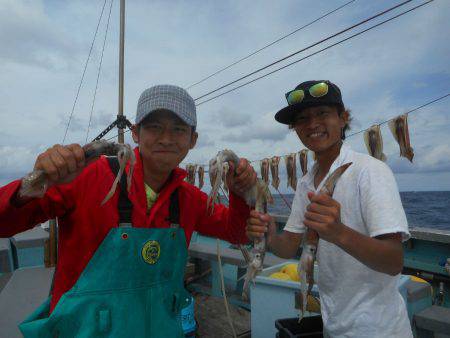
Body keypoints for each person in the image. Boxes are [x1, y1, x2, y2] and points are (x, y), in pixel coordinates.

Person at [0, 84, 256, 337]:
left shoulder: (190, 199)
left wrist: (240, 193)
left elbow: (237, 233)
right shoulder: (85, 176)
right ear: (135, 133)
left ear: (193, 140)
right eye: (154, 127)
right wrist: (39, 181)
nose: (166, 138)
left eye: (178, 129)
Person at [246, 80, 412, 337]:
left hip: (378, 329)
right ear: (296, 129)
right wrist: (269, 234)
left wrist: (338, 233)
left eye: (322, 113)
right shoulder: (306, 182)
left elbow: (393, 262)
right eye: (302, 119)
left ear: (343, 118)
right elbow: (288, 247)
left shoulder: (370, 171)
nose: (312, 124)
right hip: (333, 325)